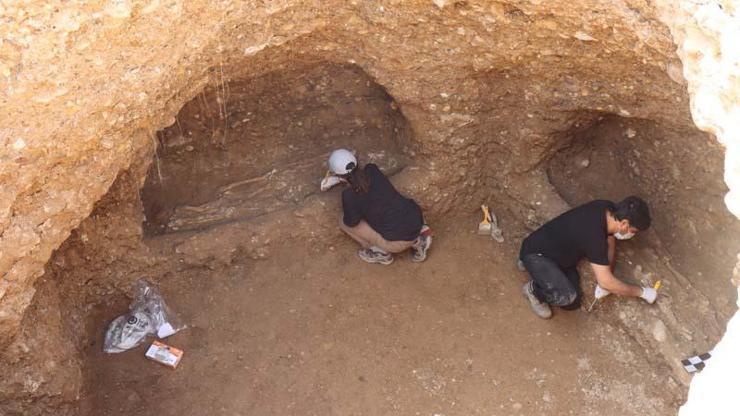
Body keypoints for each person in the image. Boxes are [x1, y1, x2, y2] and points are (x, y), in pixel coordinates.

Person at [518, 196, 657, 319]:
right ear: (624, 224)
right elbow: (605, 282)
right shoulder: (594, 237)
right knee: (566, 296)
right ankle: (534, 290)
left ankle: (536, 271)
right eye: (633, 231)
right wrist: (642, 292)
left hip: (558, 254)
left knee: (573, 303)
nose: (632, 234)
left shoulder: (606, 208)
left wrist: (608, 272)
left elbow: (610, 240)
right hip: (537, 254)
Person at [320, 148, 432, 265]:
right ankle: (421, 237)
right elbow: (361, 181)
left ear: (339, 176)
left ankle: (380, 252)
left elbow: (351, 222)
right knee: (392, 208)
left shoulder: (349, 195)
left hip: (398, 242)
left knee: (343, 222)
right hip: (416, 219)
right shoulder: (372, 170)